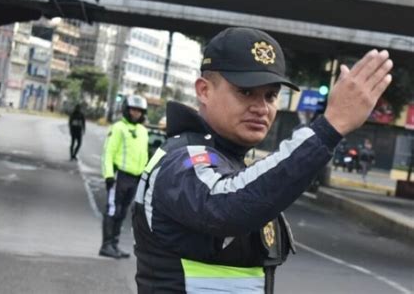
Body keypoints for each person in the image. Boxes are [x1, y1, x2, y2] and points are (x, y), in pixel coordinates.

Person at [132, 27, 393, 293]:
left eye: (270, 95)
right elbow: (226, 206)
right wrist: (329, 127)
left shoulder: (227, 161)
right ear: (204, 91)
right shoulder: (182, 160)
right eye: (245, 92)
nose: (261, 108)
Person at [99, 94, 149, 259]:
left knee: (122, 212)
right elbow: (108, 152)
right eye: (133, 110)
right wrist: (108, 175)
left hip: (135, 179)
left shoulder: (143, 131)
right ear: (126, 110)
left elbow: (144, 155)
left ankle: (114, 244)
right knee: (113, 209)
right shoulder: (118, 127)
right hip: (119, 176)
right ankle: (106, 245)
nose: (136, 114)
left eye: (139, 111)